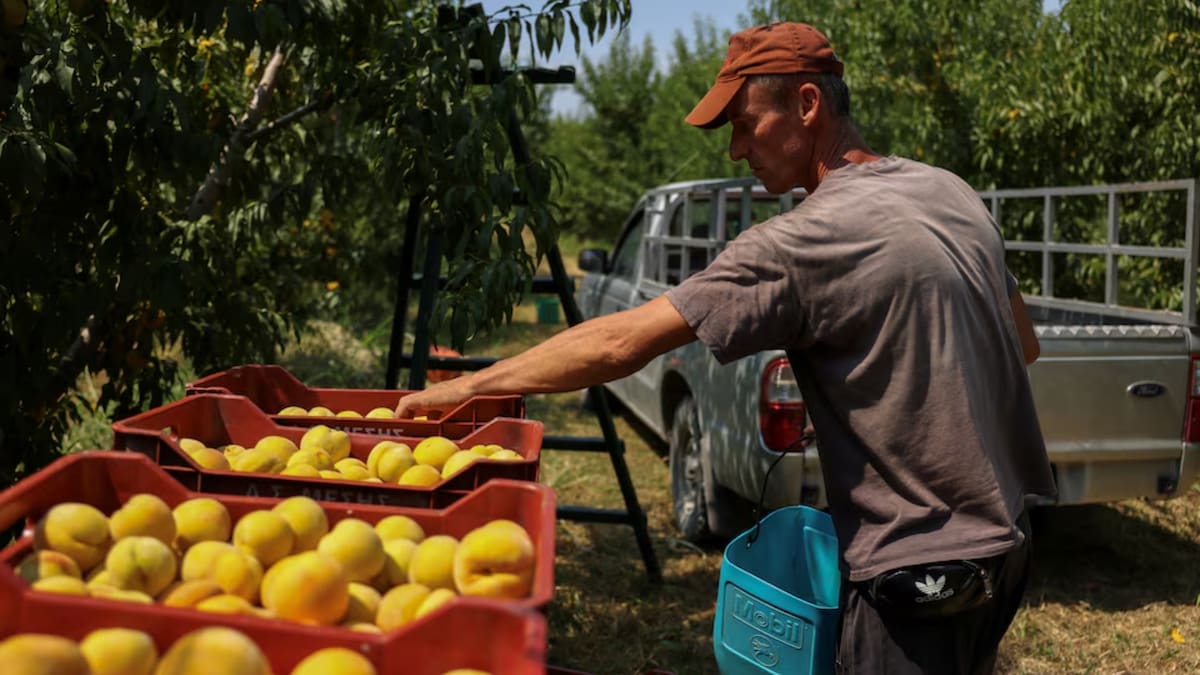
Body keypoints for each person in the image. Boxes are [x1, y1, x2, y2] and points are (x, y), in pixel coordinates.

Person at [396, 21, 1055, 675]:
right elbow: (1021, 344)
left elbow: (623, 340)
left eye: (745, 123)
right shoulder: (950, 191)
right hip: (1008, 547)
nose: (736, 150)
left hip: (916, 574)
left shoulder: (802, 242)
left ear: (807, 103)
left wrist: (463, 387)